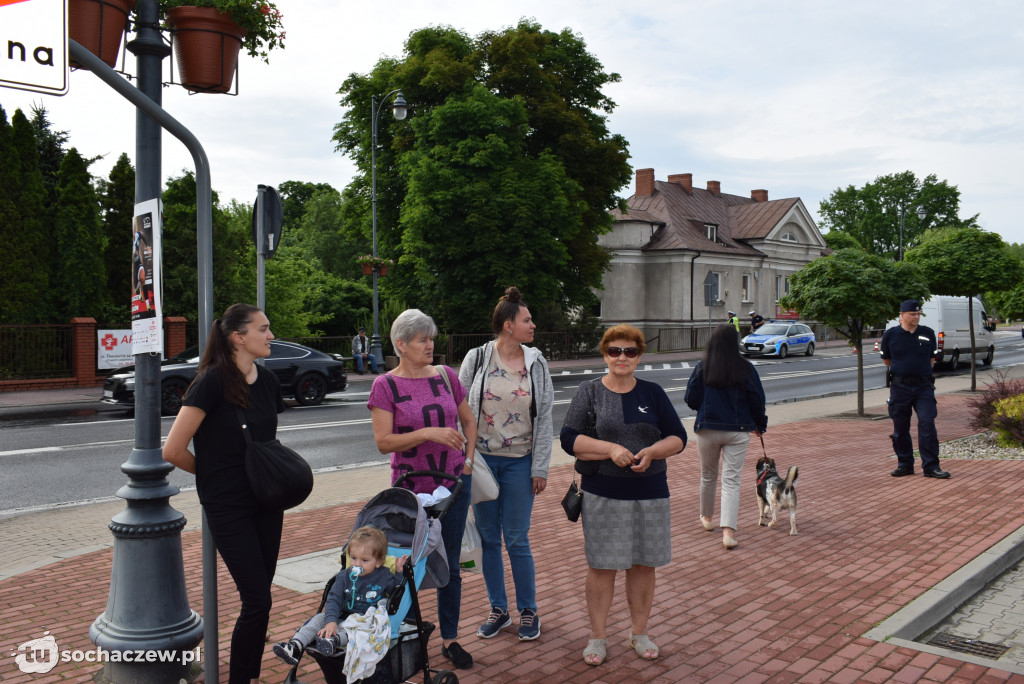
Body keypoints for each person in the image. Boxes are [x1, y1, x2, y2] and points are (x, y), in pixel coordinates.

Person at [163, 303, 286, 684]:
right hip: (229, 504)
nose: (270, 335)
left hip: (267, 499)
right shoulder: (211, 381)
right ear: (238, 337)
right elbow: (173, 449)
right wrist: (216, 475)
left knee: (260, 598)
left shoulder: (266, 381)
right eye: (263, 329)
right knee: (257, 600)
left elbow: (268, 442)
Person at [559, 324, 687, 667]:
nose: (622, 357)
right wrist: (610, 449)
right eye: (615, 351)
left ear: (639, 356)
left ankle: (639, 633)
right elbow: (569, 438)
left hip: (651, 493)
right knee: (602, 566)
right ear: (605, 354)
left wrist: (654, 451)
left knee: (644, 566)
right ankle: (597, 636)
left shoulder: (653, 393)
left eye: (629, 351)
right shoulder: (590, 392)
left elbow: (678, 437)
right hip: (604, 494)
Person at [367, 309, 478, 669]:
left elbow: (469, 419)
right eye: (422, 340)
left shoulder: (446, 376)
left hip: (452, 486)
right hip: (410, 489)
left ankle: (450, 638)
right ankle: (399, 636)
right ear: (401, 345)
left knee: (452, 564)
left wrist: (469, 460)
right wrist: (429, 433)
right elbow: (384, 442)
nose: (430, 345)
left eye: (431, 338)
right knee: (405, 565)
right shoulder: (385, 385)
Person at [458, 287, 554, 643]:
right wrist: (466, 460)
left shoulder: (536, 363)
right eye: (527, 320)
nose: (533, 325)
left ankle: (528, 611)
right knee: (487, 540)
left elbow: (545, 417)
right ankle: (498, 609)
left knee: (517, 539)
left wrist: (540, 467)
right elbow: (460, 408)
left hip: (519, 463)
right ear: (508, 324)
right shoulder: (478, 357)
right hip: (482, 462)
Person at [684, 324, 768, 549]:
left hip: (707, 429)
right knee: (731, 480)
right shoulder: (746, 368)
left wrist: (705, 406)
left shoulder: (704, 367)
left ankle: (707, 518)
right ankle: (728, 533)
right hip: (738, 431)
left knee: (708, 475)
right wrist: (760, 424)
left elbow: (690, 398)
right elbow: (757, 400)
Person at [273, 527, 408, 664]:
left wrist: (399, 573)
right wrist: (330, 621)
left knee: (359, 631)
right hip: (343, 613)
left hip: (365, 618)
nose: (357, 564)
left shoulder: (384, 576)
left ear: (378, 561)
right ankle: (295, 645)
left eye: (364, 560)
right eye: (353, 558)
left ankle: (334, 641)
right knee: (318, 619)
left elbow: (394, 593)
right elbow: (334, 598)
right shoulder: (345, 576)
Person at [880, 299, 950, 479]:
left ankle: (931, 467)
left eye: (918, 314)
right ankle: (905, 464)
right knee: (900, 428)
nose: (916, 317)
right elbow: (887, 360)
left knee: (927, 423)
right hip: (900, 387)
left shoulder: (928, 333)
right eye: (912, 314)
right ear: (902, 315)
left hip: (923, 387)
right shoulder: (890, 335)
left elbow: (931, 359)